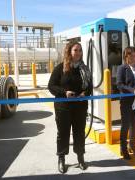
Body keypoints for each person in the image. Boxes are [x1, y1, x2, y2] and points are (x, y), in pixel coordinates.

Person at [48, 41, 92, 173]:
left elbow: (89, 86)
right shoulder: (61, 68)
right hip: (63, 107)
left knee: (79, 132)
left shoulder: (84, 69)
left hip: (80, 107)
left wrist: (85, 93)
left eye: (80, 50)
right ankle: (61, 159)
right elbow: (51, 86)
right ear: (69, 52)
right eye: (75, 50)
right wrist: (64, 93)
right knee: (63, 133)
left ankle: (80, 158)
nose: (78, 53)